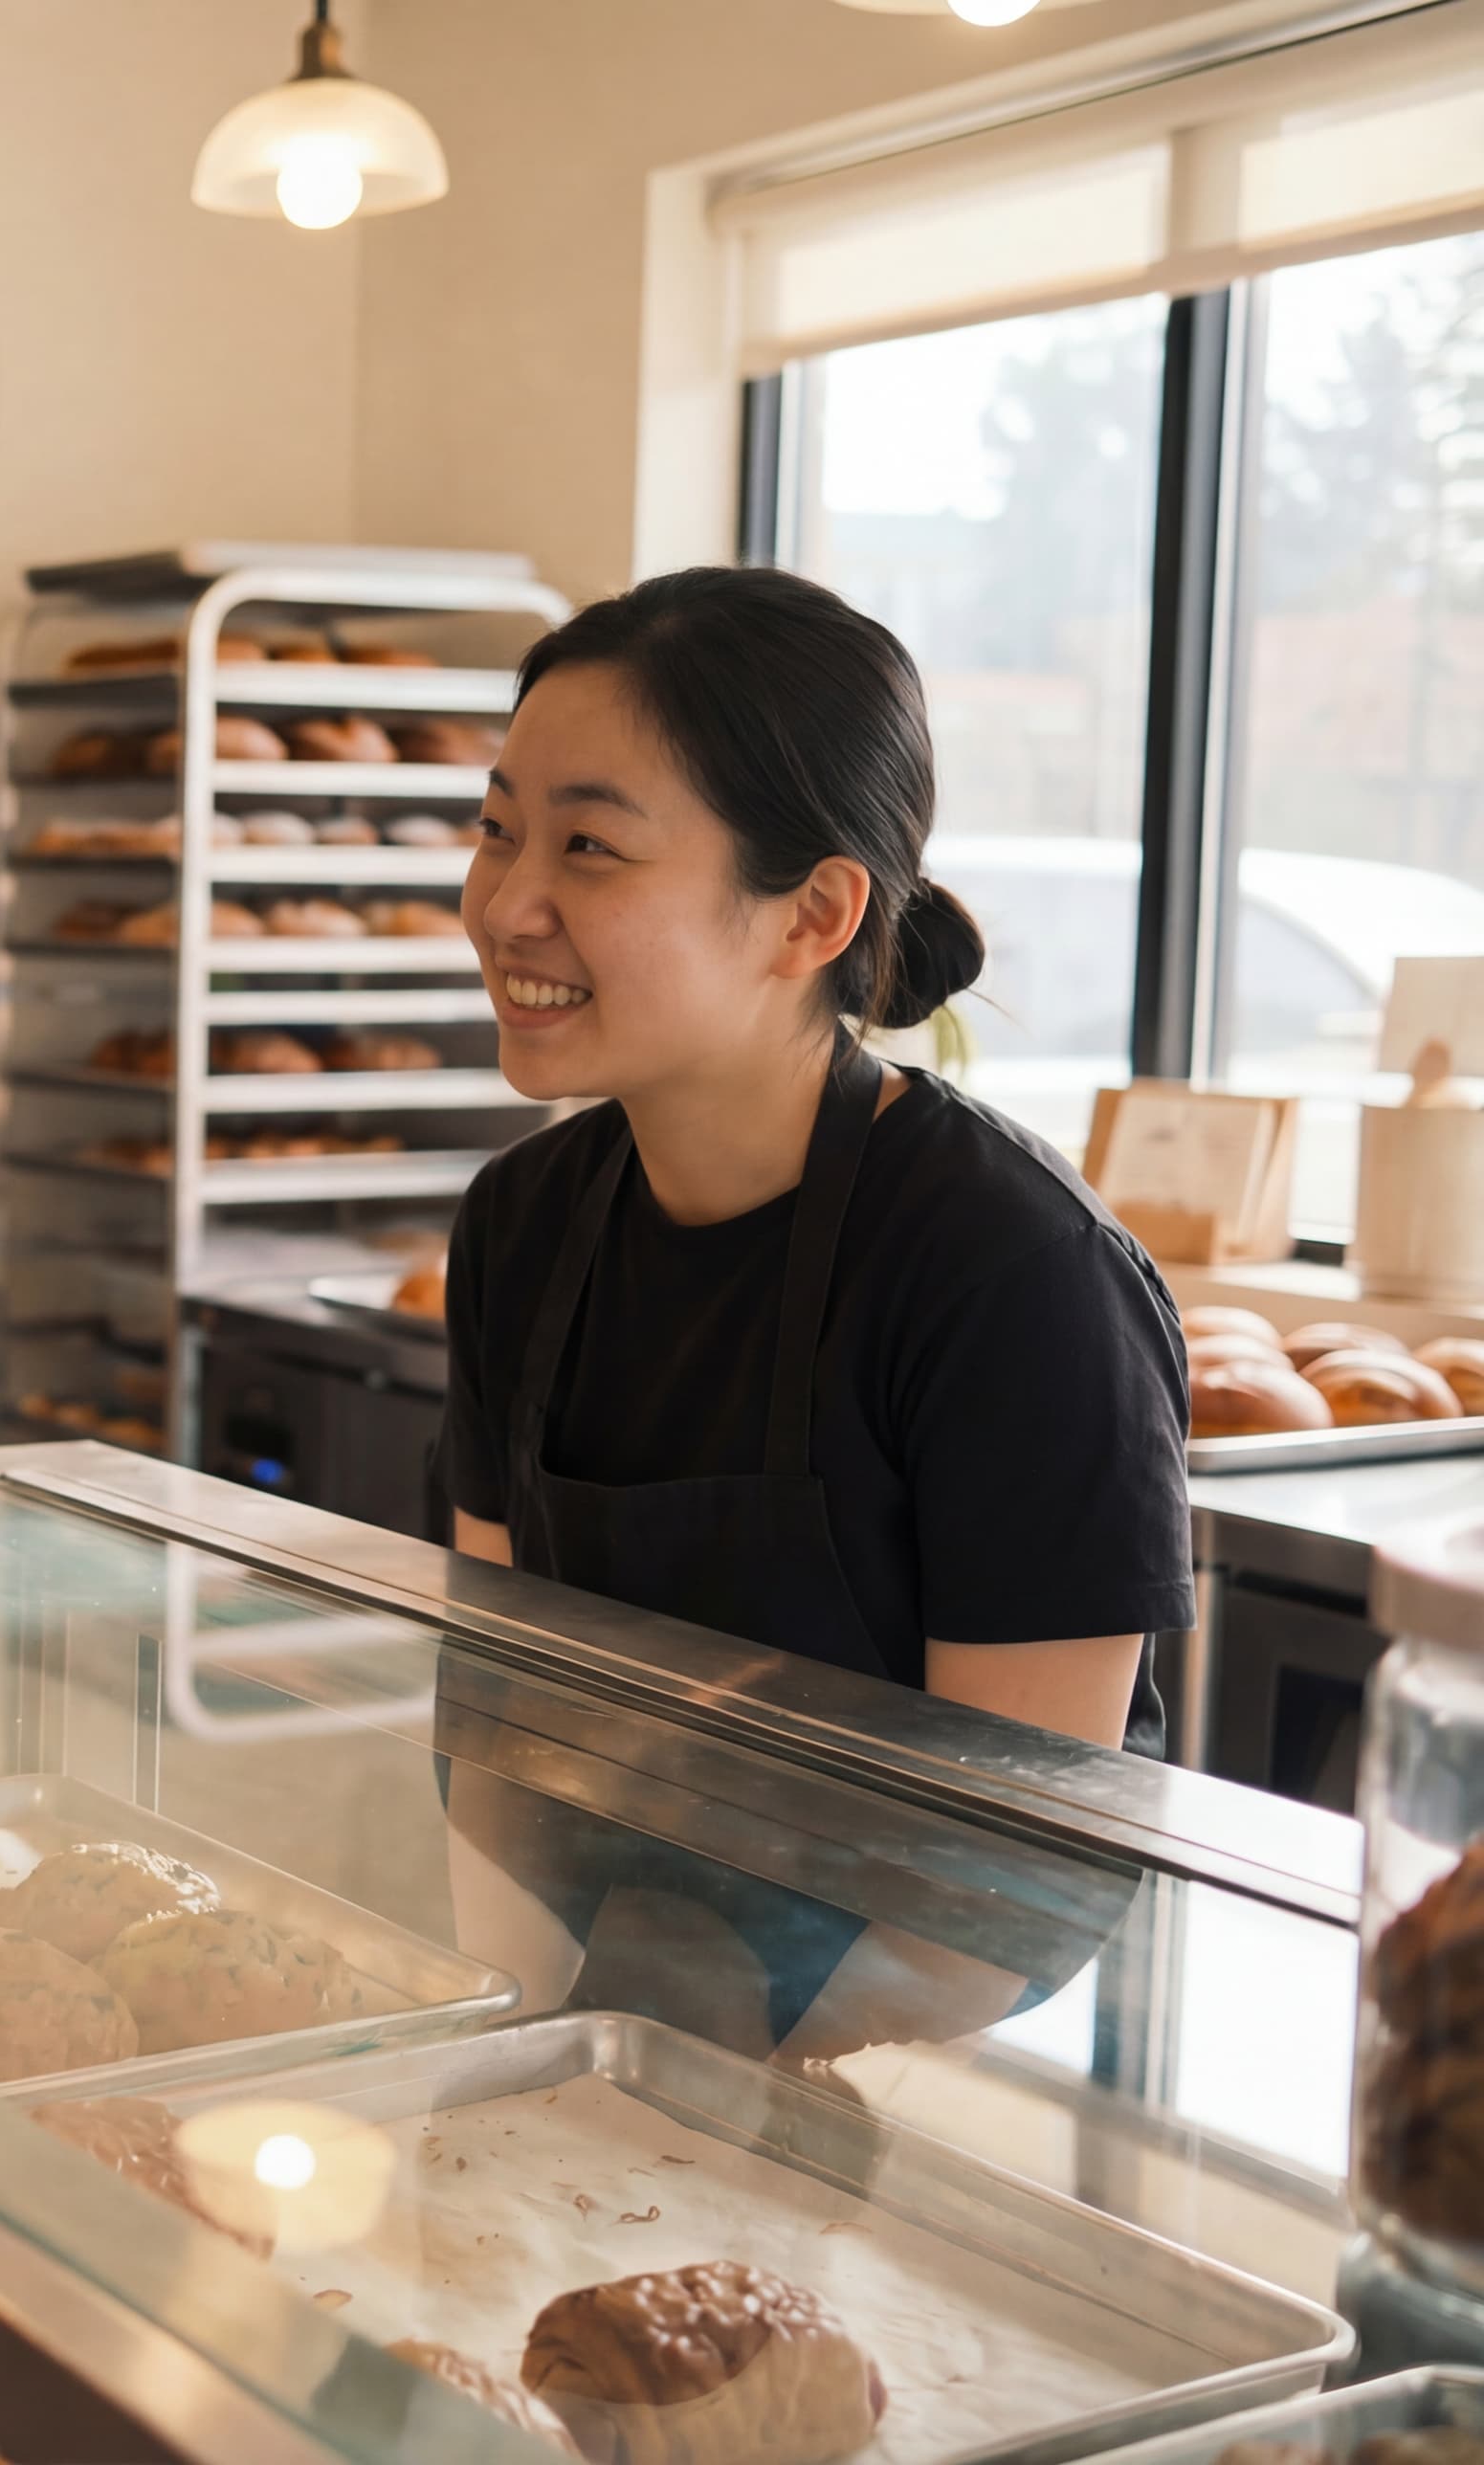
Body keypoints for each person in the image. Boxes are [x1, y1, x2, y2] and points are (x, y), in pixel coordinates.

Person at [431, 565, 1192, 2061]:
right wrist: (530, 2053)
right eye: (498, 827)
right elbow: (499, 1737)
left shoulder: (1010, 1276)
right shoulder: (521, 1228)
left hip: (940, 2089)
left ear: (813, 914)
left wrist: (729, 2111)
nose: (506, 902)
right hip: (603, 2039)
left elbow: (1013, 1872)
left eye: (589, 845)